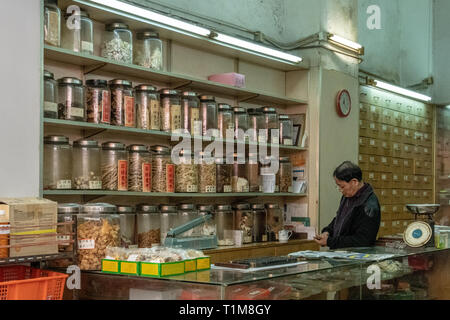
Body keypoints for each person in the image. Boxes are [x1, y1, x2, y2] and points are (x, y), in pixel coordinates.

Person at [314, 161, 381, 249]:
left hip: (357, 257)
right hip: (341, 254)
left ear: (354, 182)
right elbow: (339, 219)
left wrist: (329, 241)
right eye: (338, 186)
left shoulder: (370, 204)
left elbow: (363, 240)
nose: (340, 190)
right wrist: (327, 231)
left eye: (342, 186)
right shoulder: (348, 195)